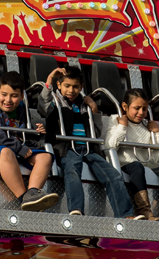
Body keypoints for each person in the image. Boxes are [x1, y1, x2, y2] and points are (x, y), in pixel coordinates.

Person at [39, 66, 139, 219]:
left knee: (113, 175)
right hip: (67, 148)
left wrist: (94, 109)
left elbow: (96, 132)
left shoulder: (84, 104)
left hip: (88, 149)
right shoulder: (55, 101)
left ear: (81, 87)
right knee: (72, 171)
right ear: (59, 85)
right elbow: (43, 108)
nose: (71, 90)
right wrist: (49, 80)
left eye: (75, 87)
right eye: (67, 86)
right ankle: (76, 210)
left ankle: (125, 214)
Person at [0, 72, 60, 211]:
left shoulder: (21, 108)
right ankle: (22, 199)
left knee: (46, 157)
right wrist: (17, 147)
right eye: (4, 94)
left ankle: (32, 194)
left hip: (19, 147)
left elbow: (22, 132)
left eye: (14, 96)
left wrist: (35, 134)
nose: (8, 100)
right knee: (7, 152)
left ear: (21, 96)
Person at [106, 89, 159, 222]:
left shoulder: (147, 126)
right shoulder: (115, 120)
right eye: (137, 108)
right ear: (125, 107)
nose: (141, 112)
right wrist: (122, 127)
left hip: (145, 166)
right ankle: (144, 210)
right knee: (137, 166)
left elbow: (155, 158)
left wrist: (157, 133)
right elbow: (110, 145)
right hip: (126, 165)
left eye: (144, 109)